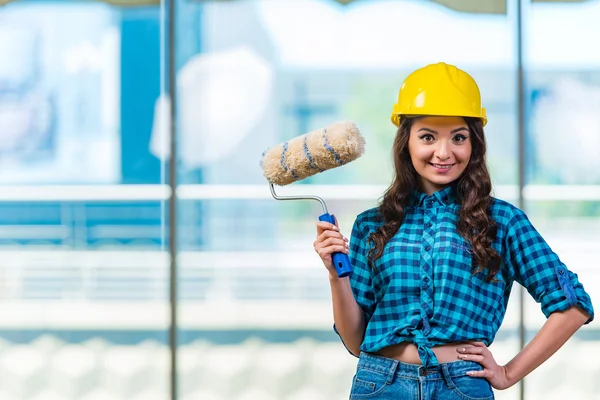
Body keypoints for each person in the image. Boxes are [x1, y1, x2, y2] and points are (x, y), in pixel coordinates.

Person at [313, 62, 594, 399]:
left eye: (458, 137)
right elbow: (355, 341)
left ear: (473, 143)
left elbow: (573, 305)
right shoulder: (372, 224)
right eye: (428, 137)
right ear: (406, 143)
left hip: (460, 386)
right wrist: (335, 276)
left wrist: (508, 373)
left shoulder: (502, 221)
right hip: (379, 384)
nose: (443, 153)